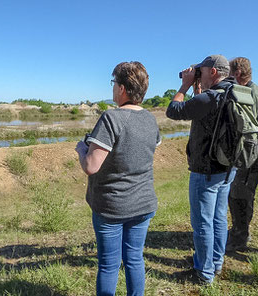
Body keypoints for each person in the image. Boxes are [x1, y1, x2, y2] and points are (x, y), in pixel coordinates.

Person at [75, 61, 160, 296]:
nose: (112, 88)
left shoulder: (111, 118)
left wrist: (82, 149)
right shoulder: (150, 119)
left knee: (109, 265)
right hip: (143, 203)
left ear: (122, 88)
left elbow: (91, 166)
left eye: (114, 83)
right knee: (134, 259)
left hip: (112, 207)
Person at [166, 55, 237, 284]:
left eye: (201, 70)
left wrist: (185, 85)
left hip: (206, 170)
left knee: (202, 223)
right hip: (227, 167)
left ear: (213, 72)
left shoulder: (210, 97)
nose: (198, 74)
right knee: (218, 218)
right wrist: (198, 87)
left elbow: (174, 111)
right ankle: (216, 263)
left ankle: (204, 274)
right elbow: (208, 119)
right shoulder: (233, 92)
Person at [226, 57, 258, 252]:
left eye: (229, 73)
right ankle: (238, 230)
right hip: (250, 150)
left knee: (241, 195)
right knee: (238, 194)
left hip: (250, 152)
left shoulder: (249, 94)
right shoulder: (255, 90)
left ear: (237, 74)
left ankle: (240, 236)